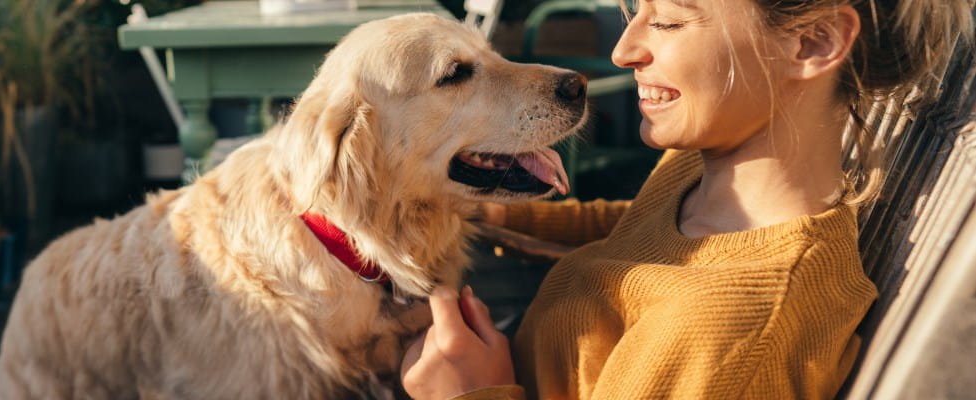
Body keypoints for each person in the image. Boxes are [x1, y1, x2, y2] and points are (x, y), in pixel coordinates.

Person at [400, 0, 974, 398]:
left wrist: (470, 394)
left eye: (669, 22)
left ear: (813, 42)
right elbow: (639, 231)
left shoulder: (728, 333)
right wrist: (485, 211)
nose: (624, 50)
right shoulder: (705, 172)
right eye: (634, 14)